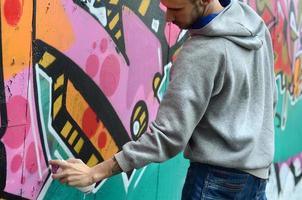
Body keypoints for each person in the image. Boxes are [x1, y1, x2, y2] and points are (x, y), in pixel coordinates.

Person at [50, 0, 277, 199]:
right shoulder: (255, 27)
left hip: (214, 183)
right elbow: (269, 98)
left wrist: (94, 172)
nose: (168, 17)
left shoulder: (201, 53)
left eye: (175, 8)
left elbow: (168, 136)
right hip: (257, 181)